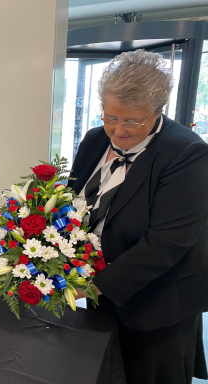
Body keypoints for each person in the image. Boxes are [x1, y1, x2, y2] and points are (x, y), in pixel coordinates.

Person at [68, 50, 208, 384]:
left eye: (132, 120)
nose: (118, 131)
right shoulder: (93, 140)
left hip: (156, 306)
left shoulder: (187, 154)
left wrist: (88, 286)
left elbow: (166, 244)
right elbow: (74, 201)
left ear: (157, 111)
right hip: (103, 293)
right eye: (110, 117)